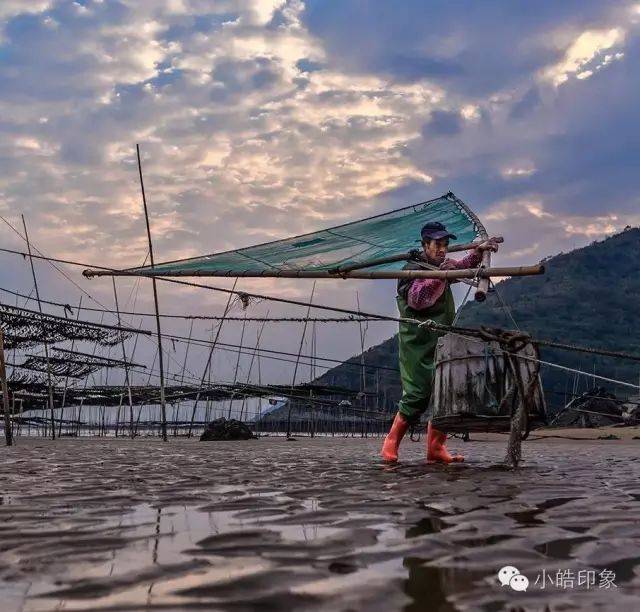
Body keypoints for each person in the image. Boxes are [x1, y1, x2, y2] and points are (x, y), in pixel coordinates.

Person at [381, 221, 501, 463]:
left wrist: (479, 252)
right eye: (437, 244)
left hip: (441, 340)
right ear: (425, 244)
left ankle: (436, 448)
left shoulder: (441, 266)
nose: (442, 249)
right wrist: (442, 275)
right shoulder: (411, 269)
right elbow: (419, 299)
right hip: (417, 342)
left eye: (445, 245)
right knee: (417, 393)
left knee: (444, 390)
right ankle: (390, 444)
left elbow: (463, 265)